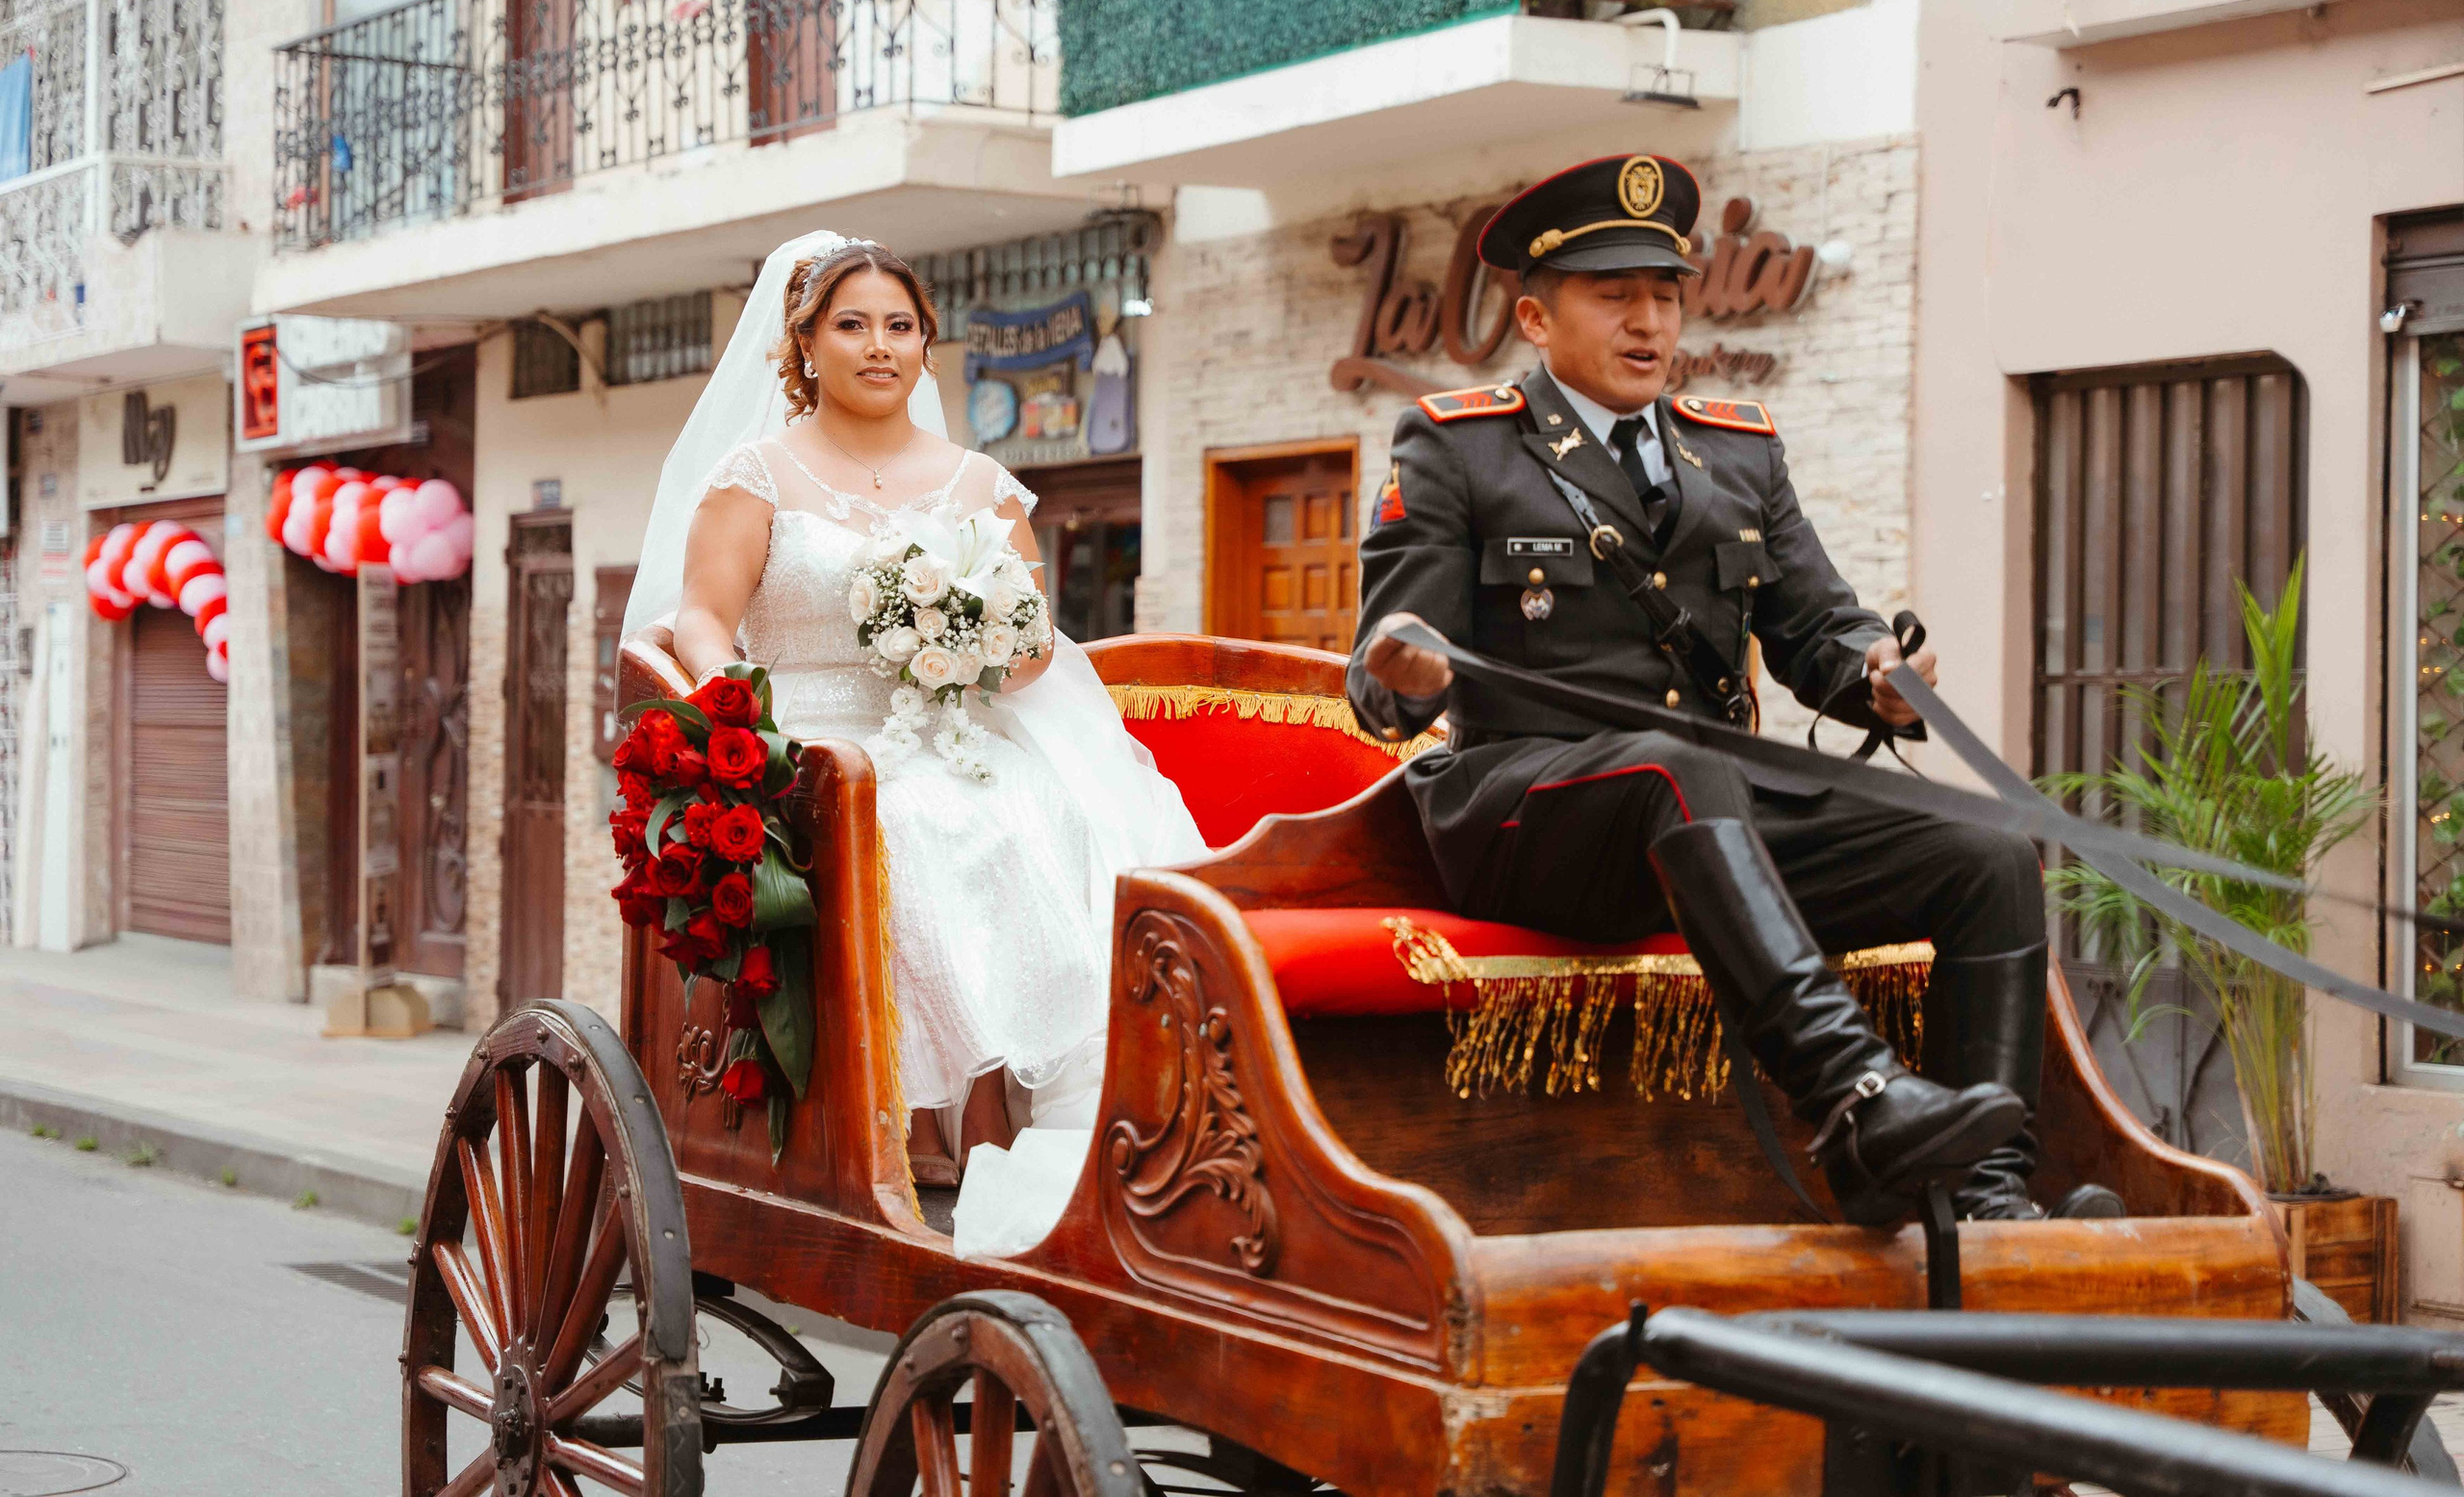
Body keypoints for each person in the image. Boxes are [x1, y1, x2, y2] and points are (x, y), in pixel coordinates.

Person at [1347, 155, 2119, 1226]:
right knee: (1680, 767)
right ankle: (1859, 1105)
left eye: (1664, 295)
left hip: (1707, 813)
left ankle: (1978, 1188)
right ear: (1535, 315)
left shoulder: (1737, 456)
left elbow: (1818, 626)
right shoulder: (1459, 447)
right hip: (1533, 818)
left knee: (1985, 852)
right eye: (1613, 296)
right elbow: (1384, 670)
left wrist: (1878, 681)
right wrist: (1410, 674)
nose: (1647, 322)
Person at [630, 231, 1207, 1257]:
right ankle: (906, 1144)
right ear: (804, 344)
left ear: (925, 345)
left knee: (1047, 816)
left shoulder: (976, 481)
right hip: (809, 738)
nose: (878, 345)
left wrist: (976, 639)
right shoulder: (755, 475)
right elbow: (704, 621)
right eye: (851, 325)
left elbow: (1032, 645)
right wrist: (741, 714)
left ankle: (1055, 1140)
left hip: (954, 724)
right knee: (920, 821)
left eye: (900, 326)